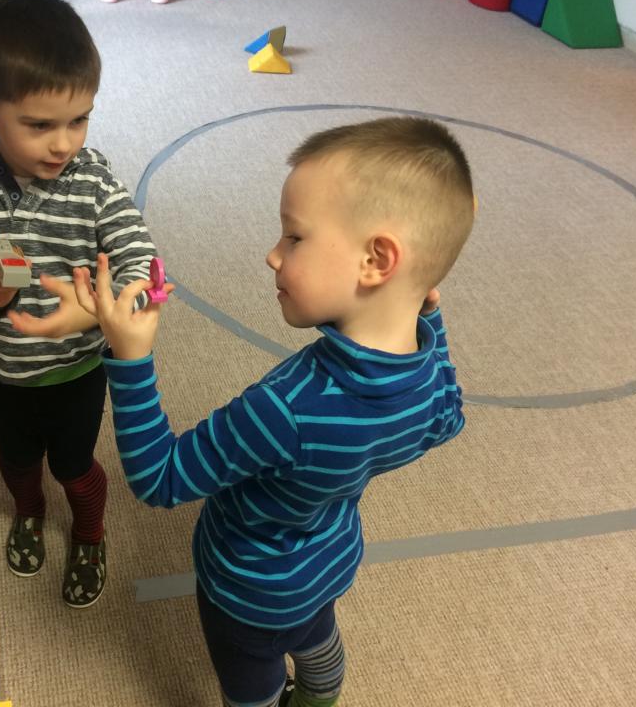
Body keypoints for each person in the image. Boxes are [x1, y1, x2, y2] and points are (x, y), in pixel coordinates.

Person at [74, 117, 475, 705]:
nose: (272, 254)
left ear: (375, 260)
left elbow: (159, 479)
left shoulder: (286, 409)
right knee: (317, 643)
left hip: (248, 594)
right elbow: (452, 416)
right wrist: (427, 315)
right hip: (330, 562)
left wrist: (130, 357)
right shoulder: (428, 382)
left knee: (252, 687)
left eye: (294, 237)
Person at [0, 0, 157, 609]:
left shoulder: (94, 183)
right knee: (15, 460)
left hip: (75, 372)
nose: (64, 144)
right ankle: (29, 512)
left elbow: (145, 265)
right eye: (39, 125)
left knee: (74, 465)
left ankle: (88, 534)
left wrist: (99, 308)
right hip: (0, 371)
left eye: (79, 120)